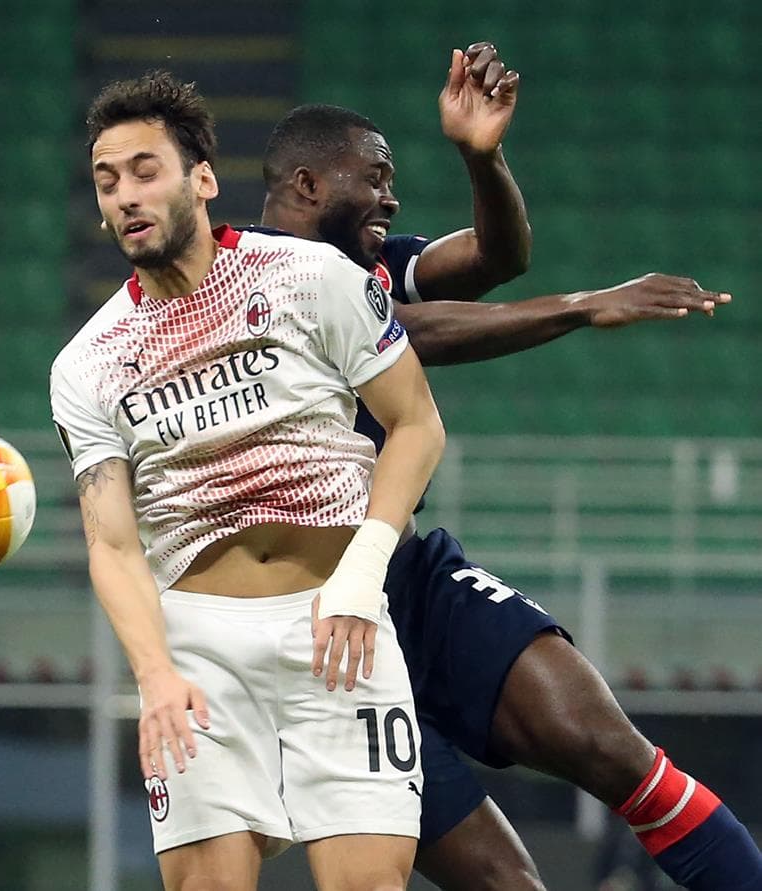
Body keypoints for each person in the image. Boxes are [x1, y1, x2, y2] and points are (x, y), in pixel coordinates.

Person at [259, 43, 762, 891]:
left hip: (412, 580)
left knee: (618, 753)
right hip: (317, 631)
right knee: (508, 884)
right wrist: (583, 304)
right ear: (307, 185)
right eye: (375, 177)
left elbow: (497, 259)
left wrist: (481, 156)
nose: (391, 194)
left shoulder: (369, 268)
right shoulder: (252, 279)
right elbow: (411, 335)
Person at [50, 70, 445, 891]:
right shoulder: (86, 363)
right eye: (107, 180)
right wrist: (155, 672)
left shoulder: (309, 277)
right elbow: (112, 542)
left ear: (202, 177)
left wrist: (364, 572)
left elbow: (416, 425)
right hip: (199, 650)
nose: (125, 195)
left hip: (340, 628)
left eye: (145, 170)